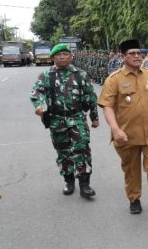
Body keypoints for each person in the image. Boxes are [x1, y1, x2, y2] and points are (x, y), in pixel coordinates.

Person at [98, 39, 148, 220]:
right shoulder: (114, 79)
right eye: (132, 53)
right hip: (126, 134)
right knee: (131, 170)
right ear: (123, 56)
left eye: (138, 53)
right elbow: (107, 106)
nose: (137, 56)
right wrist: (115, 129)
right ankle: (134, 199)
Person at [29, 43, 99, 198]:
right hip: (57, 120)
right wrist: (39, 106)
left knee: (82, 148)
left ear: (70, 56)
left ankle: (84, 184)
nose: (62, 57)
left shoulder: (81, 74)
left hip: (77, 118)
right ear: (53, 58)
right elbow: (36, 92)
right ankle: (69, 181)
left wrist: (94, 117)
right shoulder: (47, 75)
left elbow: (91, 96)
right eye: (58, 55)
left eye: (65, 54)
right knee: (63, 151)